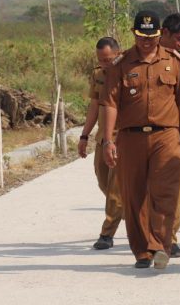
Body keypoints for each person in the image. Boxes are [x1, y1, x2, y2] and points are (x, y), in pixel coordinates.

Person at [101, 10, 180, 270]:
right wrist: (108, 141)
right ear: (134, 33)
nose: (147, 41)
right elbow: (110, 104)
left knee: (165, 192)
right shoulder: (121, 64)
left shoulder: (175, 62)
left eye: (152, 36)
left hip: (166, 135)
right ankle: (142, 251)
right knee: (134, 195)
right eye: (142, 35)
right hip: (130, 138)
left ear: (159, 34)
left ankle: (160, 246)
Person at [77, 37, 123, 251]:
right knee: (103, 181)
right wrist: (84, 135)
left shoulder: (129, 72)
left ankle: (107, 234)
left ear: (118, 53)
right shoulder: (97, 74)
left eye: (109, 59)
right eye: (101, 60)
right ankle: (129, 209)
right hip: (102, 139)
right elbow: (94, 106)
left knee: (115, 190)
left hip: (122, 138)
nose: (105, 63)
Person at [159, 13, 180, 258]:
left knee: (173, 188)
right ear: (164, 33)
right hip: (138, 135)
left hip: (170, 133)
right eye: (178, 39)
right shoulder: (135, 59)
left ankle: (169, 238)